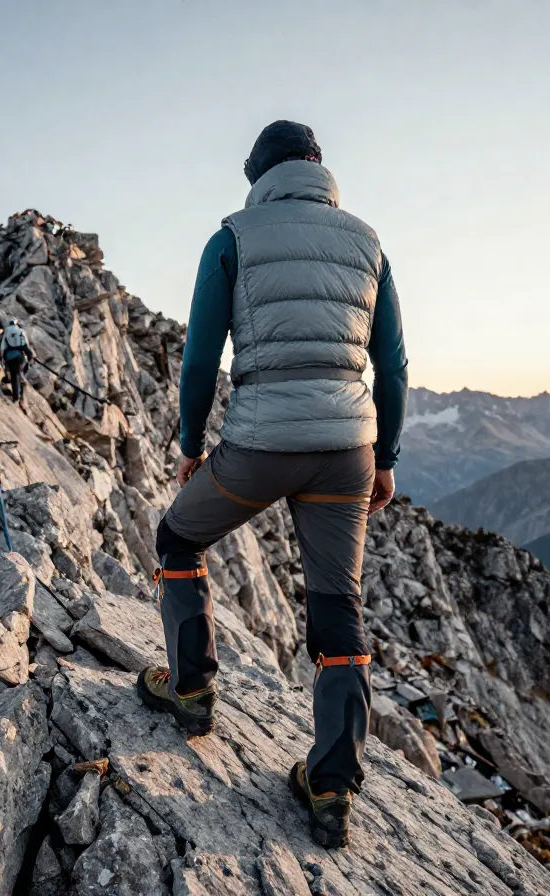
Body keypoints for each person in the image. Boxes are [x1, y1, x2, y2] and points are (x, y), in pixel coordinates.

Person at [136, 121, 409, 849]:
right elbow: (394, 366)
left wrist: (192, 445)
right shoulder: (368, 241)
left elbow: (200, 359)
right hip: (346, 451)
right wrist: (386, 457)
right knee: (336, 606)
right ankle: (331, 788)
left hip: (260, 443)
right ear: (320, 170)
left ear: (257, 175)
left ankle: (191, 691)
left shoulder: (233, 236)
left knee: (177, 538)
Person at [0, 319, 34, 402]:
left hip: (10, 358)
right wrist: (30, 357)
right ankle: (21, 391)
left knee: (14, 377)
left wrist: (0, 357)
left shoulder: (7, 332)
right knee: (20, 372)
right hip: (21, 357)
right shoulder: (21, 332)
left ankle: (15, 398)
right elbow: (26, 346)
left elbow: (2, 347)